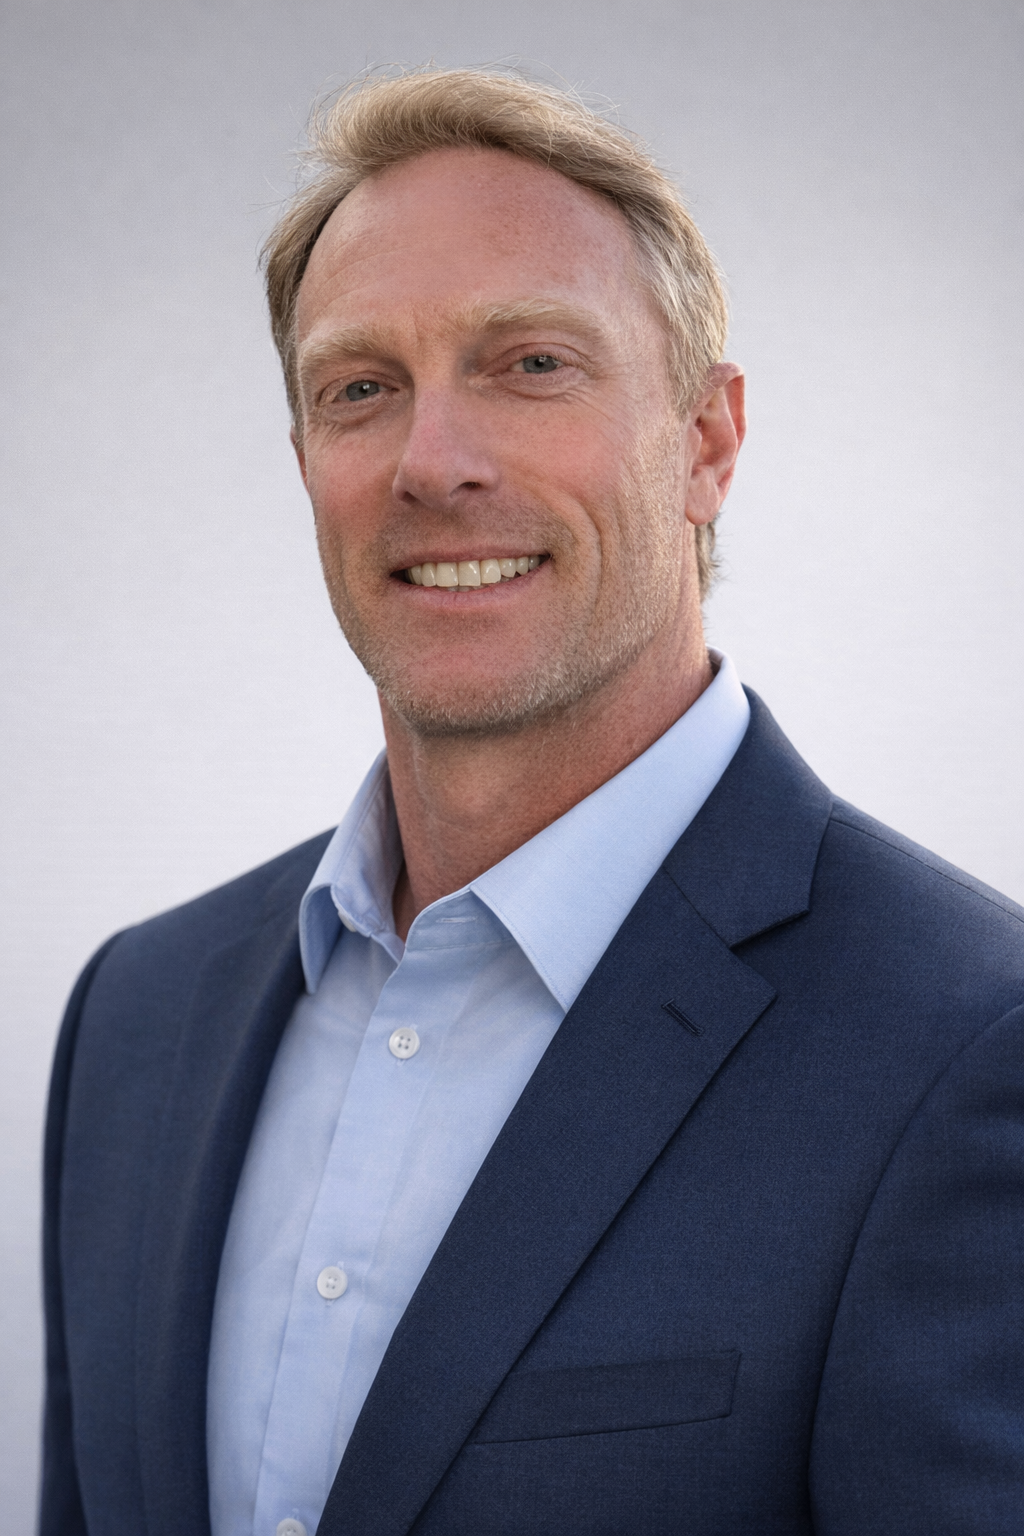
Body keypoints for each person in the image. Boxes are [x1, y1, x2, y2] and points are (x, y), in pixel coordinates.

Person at [41, 68, 1024, 1536]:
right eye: (361, 388)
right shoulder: (134, 1017)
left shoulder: (963, 1043)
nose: (434, 463)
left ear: (707, 442)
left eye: (532, 364)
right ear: (306, 459)